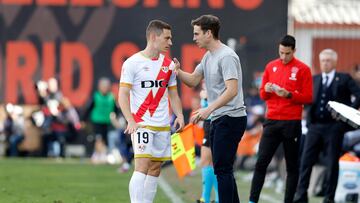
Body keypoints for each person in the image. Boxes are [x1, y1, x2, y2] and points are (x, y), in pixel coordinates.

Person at [174, 14, 247, 203]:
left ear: (208, 33)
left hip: (231, 117)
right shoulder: (208, 57)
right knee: (223, 169)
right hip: (218, 117)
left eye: (197, 33)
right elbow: (192, 80)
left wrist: (208, 109)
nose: (194, 37)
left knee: (222, 169)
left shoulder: (227, 56)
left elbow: (231, 91)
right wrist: (177, 71)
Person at [118, 19, 184, 203]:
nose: (170, 42)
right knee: (141, 166)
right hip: (141, 123)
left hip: (162, 124)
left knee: (155, 168)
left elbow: (173, 94)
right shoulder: (132, 63)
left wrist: (179, 115)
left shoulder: (169, 65)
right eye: (167, 38)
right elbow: (123, 95)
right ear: (154, 37)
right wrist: (130, 119)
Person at [248, 35, 313, 203]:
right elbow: (263, 94)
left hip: (291, 122)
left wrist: (289, 94)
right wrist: (268, 89)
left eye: (287, 53)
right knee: (261, 162)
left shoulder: (303, 69)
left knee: (291, 166)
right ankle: (252, 200)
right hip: (271, 121)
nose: (284, 57)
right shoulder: (271, 66)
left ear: (294, 51)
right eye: (281, 52)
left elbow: (308, 97)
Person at [294, 49, 360, 203]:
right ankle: (301, 195)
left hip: (334, 128)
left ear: (335, 62)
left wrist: (348, 113)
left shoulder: (344, 78)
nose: (325, 63)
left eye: (328, 60)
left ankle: (329, 198)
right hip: (315, 127)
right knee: (305, 161)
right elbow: (304, 97)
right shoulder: (314, 79)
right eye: (322, 60)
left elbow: (359, 94)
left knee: (331, 163)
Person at [197, 87, 219, 203]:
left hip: (215, 122)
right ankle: (208, 198)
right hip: (209, 123)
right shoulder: (206, 81)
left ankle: (206, 198)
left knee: (208, 162)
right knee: (209, 163)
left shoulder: (217, 79)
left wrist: (206, 96)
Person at [83, 77, 117, 147]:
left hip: (107, 122)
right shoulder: (96, 96)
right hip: (97, 121)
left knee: (105, 138)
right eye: (103, 86)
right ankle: (96, 153)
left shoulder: (111, 97)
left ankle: (104, 153)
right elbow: (88, 108)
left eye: (106, 87)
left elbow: (115, 110)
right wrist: (83, 120)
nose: (105, 88)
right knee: (98, 138)